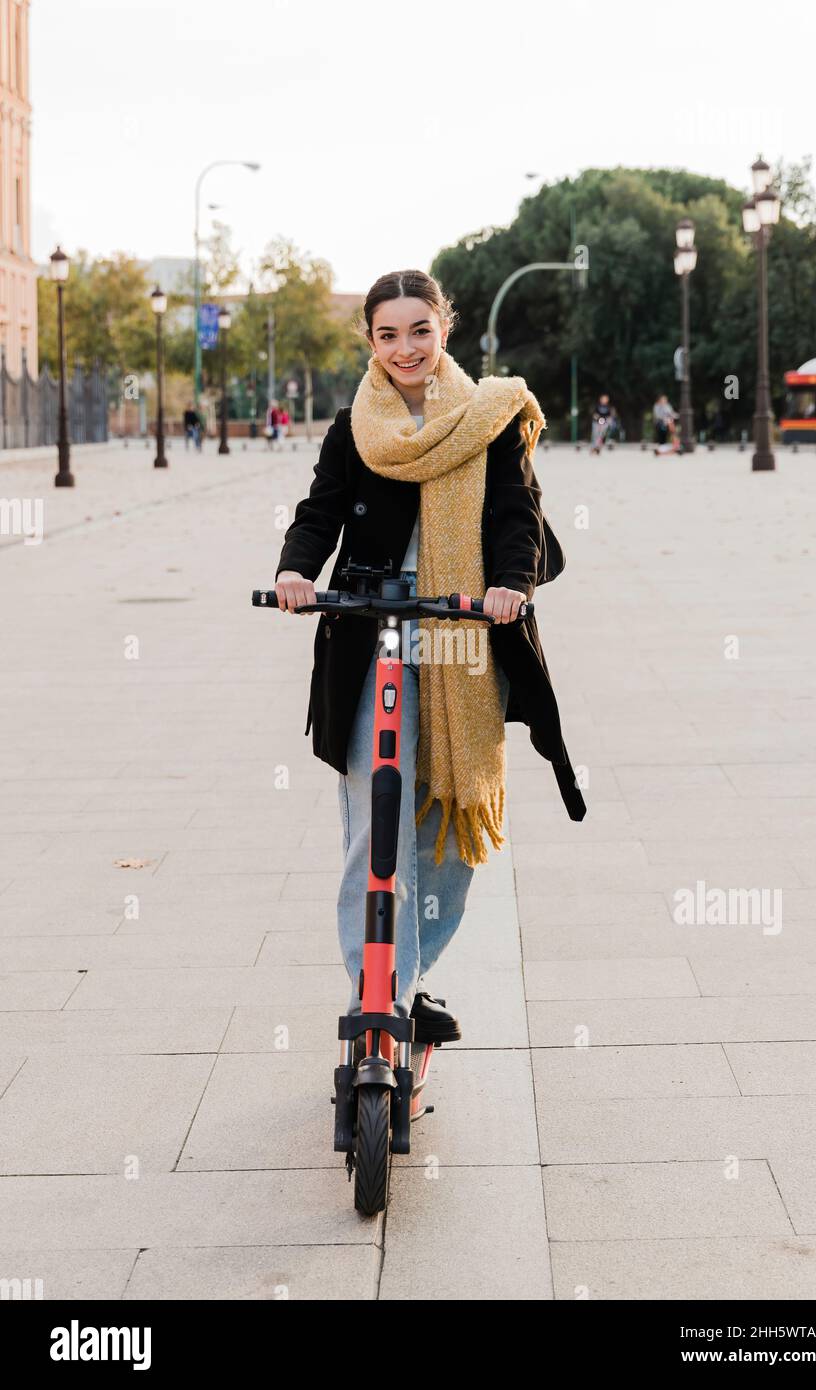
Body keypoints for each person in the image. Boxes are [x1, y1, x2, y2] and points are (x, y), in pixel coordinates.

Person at [273, 268, 586, 1043]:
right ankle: (374, 994)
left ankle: (406, 983)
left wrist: (511, 583)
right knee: (375, 819)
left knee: (447, 819)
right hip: (368, 626)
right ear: (371, 341)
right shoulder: (355, 428)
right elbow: (319, 513)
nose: (405, 347)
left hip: (458, 631)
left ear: (444, 327)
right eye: (388, 333)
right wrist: (293, 571)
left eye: (420, 329)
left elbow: (518, 515)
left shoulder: (491, 417)